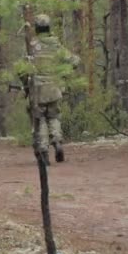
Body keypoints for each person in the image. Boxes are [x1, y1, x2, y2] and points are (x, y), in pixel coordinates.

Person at [19, 14, 80, 166]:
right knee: (54, 116)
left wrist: (25, 83)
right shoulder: (57, 46)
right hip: (54, 87)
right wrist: (64, 73)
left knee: (40, 120)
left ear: (37, 28)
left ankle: (44, 149)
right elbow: (75, 61)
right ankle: (58, 141)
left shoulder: (31, 46)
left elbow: (22, 69)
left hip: (37, 90)